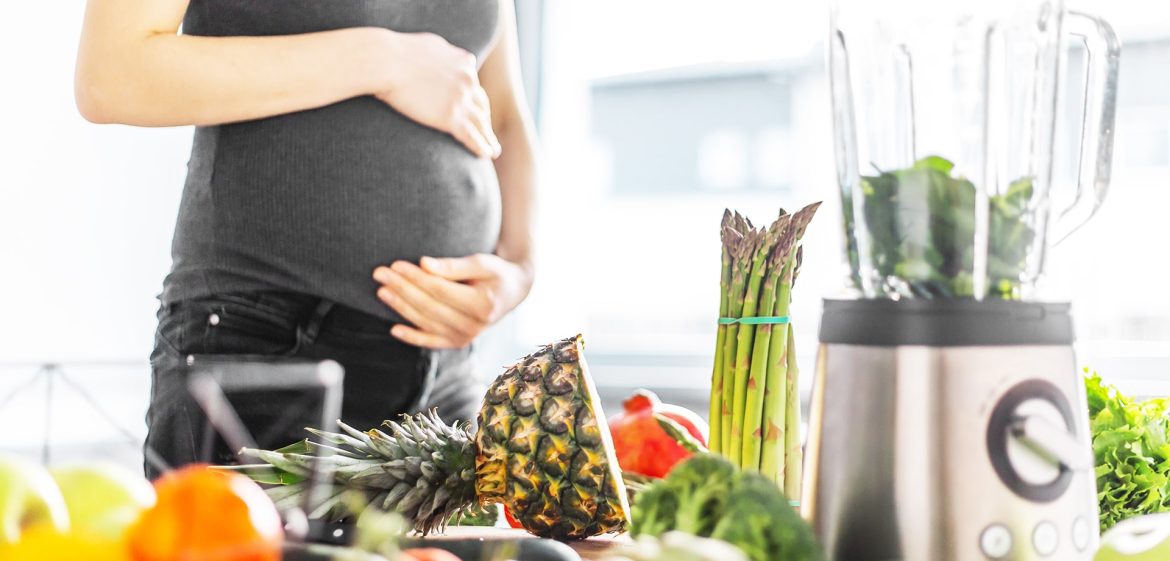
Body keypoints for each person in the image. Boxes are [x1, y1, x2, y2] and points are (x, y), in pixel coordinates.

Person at [75, 0, 537, 479]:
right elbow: (111, 72)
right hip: (269, 344)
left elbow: (500, 111)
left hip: (449, 374)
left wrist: (519, 268)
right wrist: (379, 60)